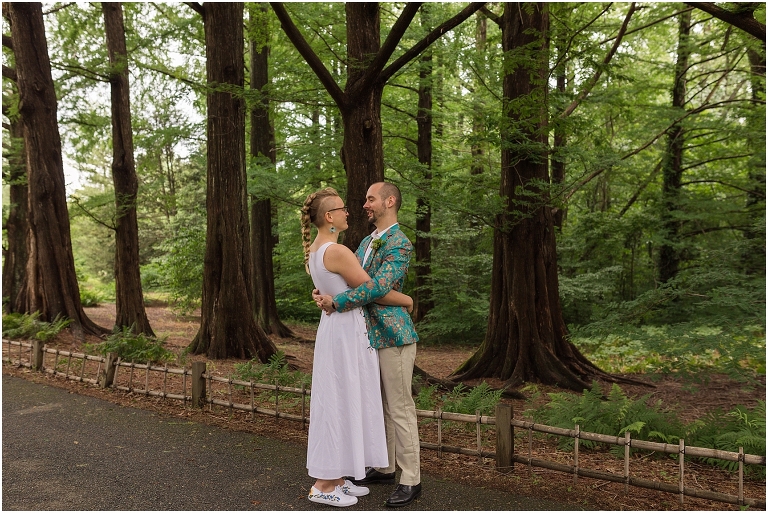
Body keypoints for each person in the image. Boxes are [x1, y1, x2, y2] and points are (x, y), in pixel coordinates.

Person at [300, 187, 414, 508]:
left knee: (340, 398)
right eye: (342, 208)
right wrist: (406, 299)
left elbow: (334, 288)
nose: (349, 211)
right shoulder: (338, 251)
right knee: (337, 400)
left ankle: (337, 478)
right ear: (329, 217)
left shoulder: (319, 250)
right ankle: (324, 484)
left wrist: (327, 297)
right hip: (345, 331)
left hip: (339, 330)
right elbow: (373, 289)